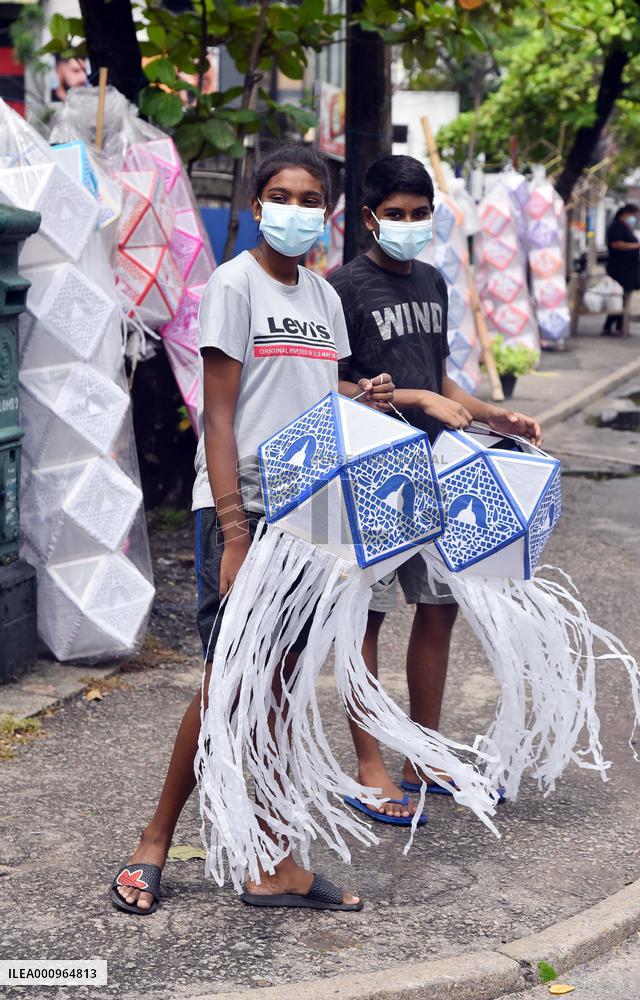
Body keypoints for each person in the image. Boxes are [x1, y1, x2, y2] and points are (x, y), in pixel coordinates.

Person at [109, 144, 395, 915]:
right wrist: (235, 533)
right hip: (246, 508)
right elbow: (222, 413)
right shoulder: (232, 286)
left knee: (274, 687)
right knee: (229, 683)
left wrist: (359, 391)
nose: (294, 208)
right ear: (256, 201)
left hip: (312, 513)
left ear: (327, 213)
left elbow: (315, 389)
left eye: (309, 198)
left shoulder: (324, 299)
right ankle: (154, 843)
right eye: (279, 194)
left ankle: (274, 864)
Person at [328, 154, 542, 824]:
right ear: (369, 218)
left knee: (440, 605)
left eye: (420, 215)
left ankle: (421, 753)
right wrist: (414, 396)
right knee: (367, 615)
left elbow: (439, 378)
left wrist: (487, 412)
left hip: (436, 463)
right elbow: (329, 383)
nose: (409, 225)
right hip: (371, 467)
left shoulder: (433, 280)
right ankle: (369, 764)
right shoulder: (343, 287)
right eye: (396, 215)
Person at [602, 204, 640, 336]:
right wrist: (638, 245)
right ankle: (611, 326)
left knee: (623, 299)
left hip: (628, 268)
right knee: (618, 298)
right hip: (620, 269)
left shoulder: (625, 227)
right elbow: (616, 244)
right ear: (626, 213)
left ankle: (619, 326)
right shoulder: (616, 226)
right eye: (633, 215)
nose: (634, 218)